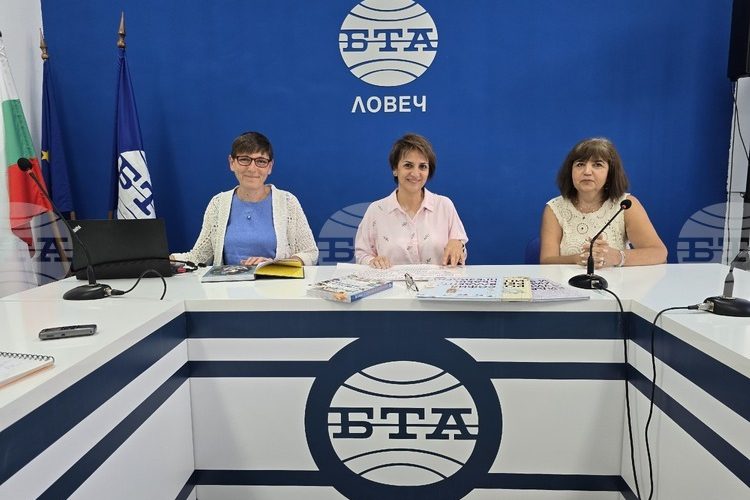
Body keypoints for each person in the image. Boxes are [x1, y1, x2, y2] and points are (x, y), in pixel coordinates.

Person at [171, 131, 318, 266]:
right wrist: (165, 259)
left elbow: (310, 253)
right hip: (228, 286)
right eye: (244, 159)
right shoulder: (218, 203)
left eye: (261, 161)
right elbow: (199, 257)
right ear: (232, 163)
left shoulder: (288, 202)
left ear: (270, 166)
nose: (252, 169)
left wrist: (275, 265)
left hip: (276, 284)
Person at [540, 137, 667, 268]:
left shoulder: (625, 205)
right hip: (568, 280)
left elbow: (659, 253)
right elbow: (546, 261)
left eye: (597, 165)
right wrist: (580, 258)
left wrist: (618, 257)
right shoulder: (555, 208)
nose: (587, 172)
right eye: (580, 164)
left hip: (618, 281)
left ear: (610, 173)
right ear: (570, 171)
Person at [355, 133, 468, 269]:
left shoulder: (444, 205)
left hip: (438, 282)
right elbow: (362, 254)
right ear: (395, 169)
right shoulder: (376, 210)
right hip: (391, 283)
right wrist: (373, 261)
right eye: (408, 165)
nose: (415, 173)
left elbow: (459, 253)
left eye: (422, 166)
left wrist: (458, 245)